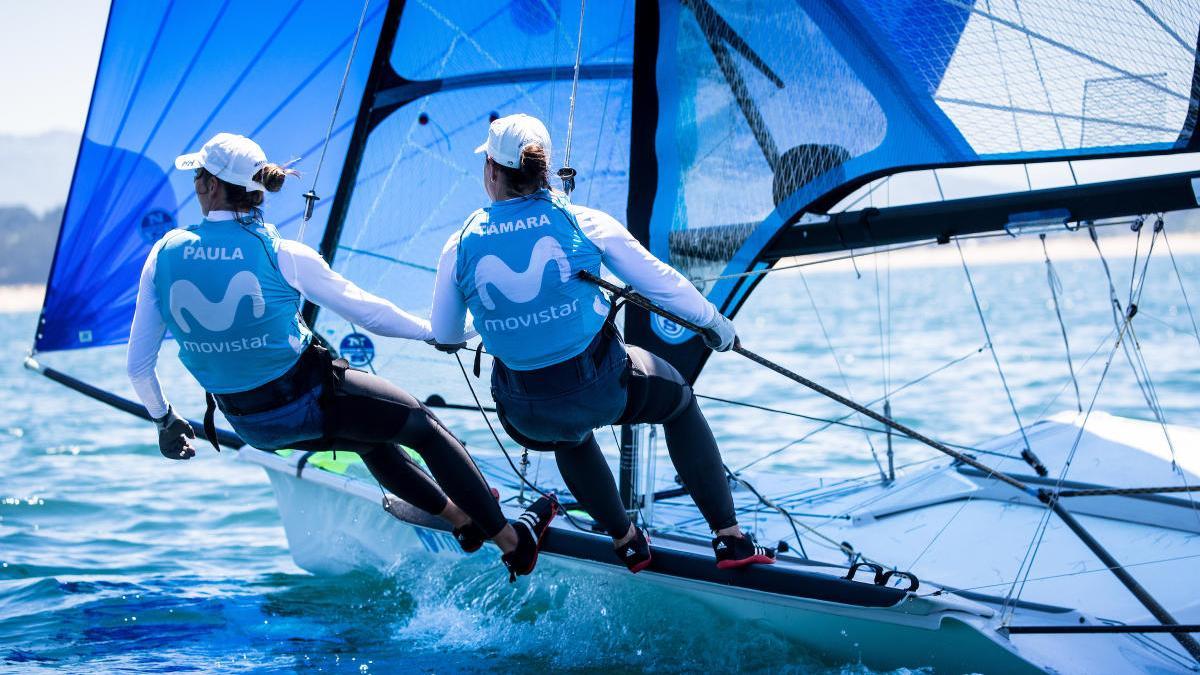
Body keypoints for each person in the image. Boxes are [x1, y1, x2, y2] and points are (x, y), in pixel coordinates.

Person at [126, 133, 555, 580]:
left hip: (253, 425)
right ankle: (514, 543)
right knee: (423, 428)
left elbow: (138, 366)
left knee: (372, 436)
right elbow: (366, 310)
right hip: (311, 405)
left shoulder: (162, 255)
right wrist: (432, 333)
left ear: (212, 187)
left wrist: (164, 419)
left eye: (198, 175)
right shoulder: (281, 253)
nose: (196, 183)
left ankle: (461, 521)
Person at [430, 114, 776, 572]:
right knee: (678, 402)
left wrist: (493, 323)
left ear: (491, 170)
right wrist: (716, 325)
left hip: (523, 410)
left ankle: (626, 540)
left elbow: (447, 336)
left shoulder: (459, 243)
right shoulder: (583, 221)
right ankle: (730, 539)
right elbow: (662, 283)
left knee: (565, 433)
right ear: (543, 168)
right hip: (601, 387)